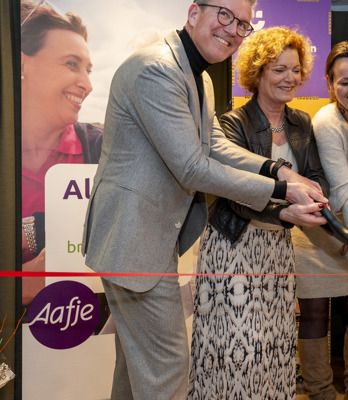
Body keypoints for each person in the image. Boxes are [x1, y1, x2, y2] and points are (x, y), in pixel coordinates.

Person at [81, 1, 327, 399]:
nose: (232, 29)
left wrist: (278, 170)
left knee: (134, 375)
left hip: (148, 242)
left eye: (243, 23)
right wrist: (281, 191)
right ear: (194, 12)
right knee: (167, 371)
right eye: (224, 14)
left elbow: (215, 146)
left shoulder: (200, 78)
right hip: (134, 243)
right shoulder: (157, 69)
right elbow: (193, 167)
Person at [188, 26, 328, 399]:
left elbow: (314, 179)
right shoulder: (233, 124)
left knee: (274, 347)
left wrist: (315, 204)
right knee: (236, 352)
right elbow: (234, 195)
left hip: (278, 250)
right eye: (279, 69)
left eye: (295, 69)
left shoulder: (302, 123)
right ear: (258, 72)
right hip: (234, 246)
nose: (289, 78)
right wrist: (288, 213)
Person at [292, 40, 348, 400]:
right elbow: (343, 189)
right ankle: (321, 395)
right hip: (319, 231)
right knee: (315, 317)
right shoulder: (326, 121)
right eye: (345, 82)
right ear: (329, 83)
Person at [20, 0, 102, 305]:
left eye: (88, 70)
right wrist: (20, 284)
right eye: (71, 63)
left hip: (84, 327)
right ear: (21, 65)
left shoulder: (101, 149)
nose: (88, 85)